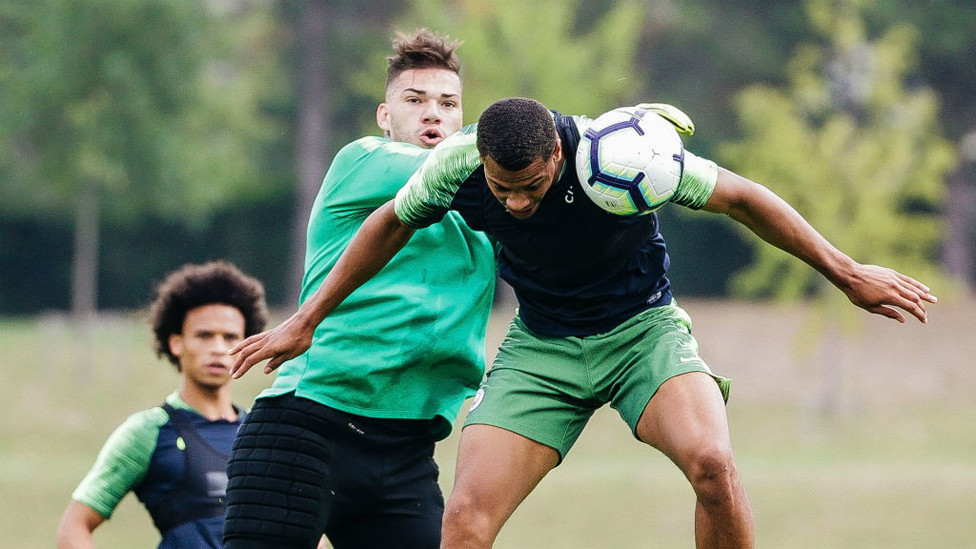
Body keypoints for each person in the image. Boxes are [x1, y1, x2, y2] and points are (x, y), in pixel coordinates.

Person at [230, 97, 936, 548]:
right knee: (466, 524)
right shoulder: (456, 166)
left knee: (714, 465)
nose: (513, 205)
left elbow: (745, 198)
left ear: (559, 156)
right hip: (542, 348)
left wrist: (847, 273)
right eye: (501, 189)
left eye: (531, 187)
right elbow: (388, 222)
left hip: (642, 334)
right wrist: (308, 319)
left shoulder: (625, 158)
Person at [221, 29, 497, 549]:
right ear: (384, 116)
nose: (432, 114)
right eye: (414, 101)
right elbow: (450, 169)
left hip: (407, 452)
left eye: (447, 103)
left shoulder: (487, 214)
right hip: (306, 429)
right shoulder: (365, 162)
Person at [56, 261, 268, 549]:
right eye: (204, 335)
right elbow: (74, 526)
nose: (219, 348)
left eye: (230, 337)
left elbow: (306, 532)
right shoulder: (148, 432)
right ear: (176, 343)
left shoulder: (264, 433)